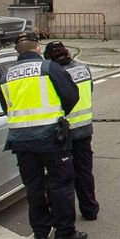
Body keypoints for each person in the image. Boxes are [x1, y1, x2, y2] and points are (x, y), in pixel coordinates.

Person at [1, 31, 87, 239]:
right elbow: (71, 95)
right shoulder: (49, 68)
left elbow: (6, 107)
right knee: (61, 183)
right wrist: (59, 115)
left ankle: (40, 231)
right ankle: (64, 232)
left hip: (21, 140)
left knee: (33, 186)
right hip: (52, 138)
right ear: (38, 48)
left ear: (17, 51)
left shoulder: (6, 75)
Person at [44, 40, 98, 221]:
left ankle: (60, 215)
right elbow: (89, 91)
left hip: (63, 132)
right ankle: (90, 210)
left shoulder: (53, 74)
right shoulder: (84, 69)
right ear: (66, 52)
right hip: (84, 129)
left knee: (61, 177)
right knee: (84, 172)